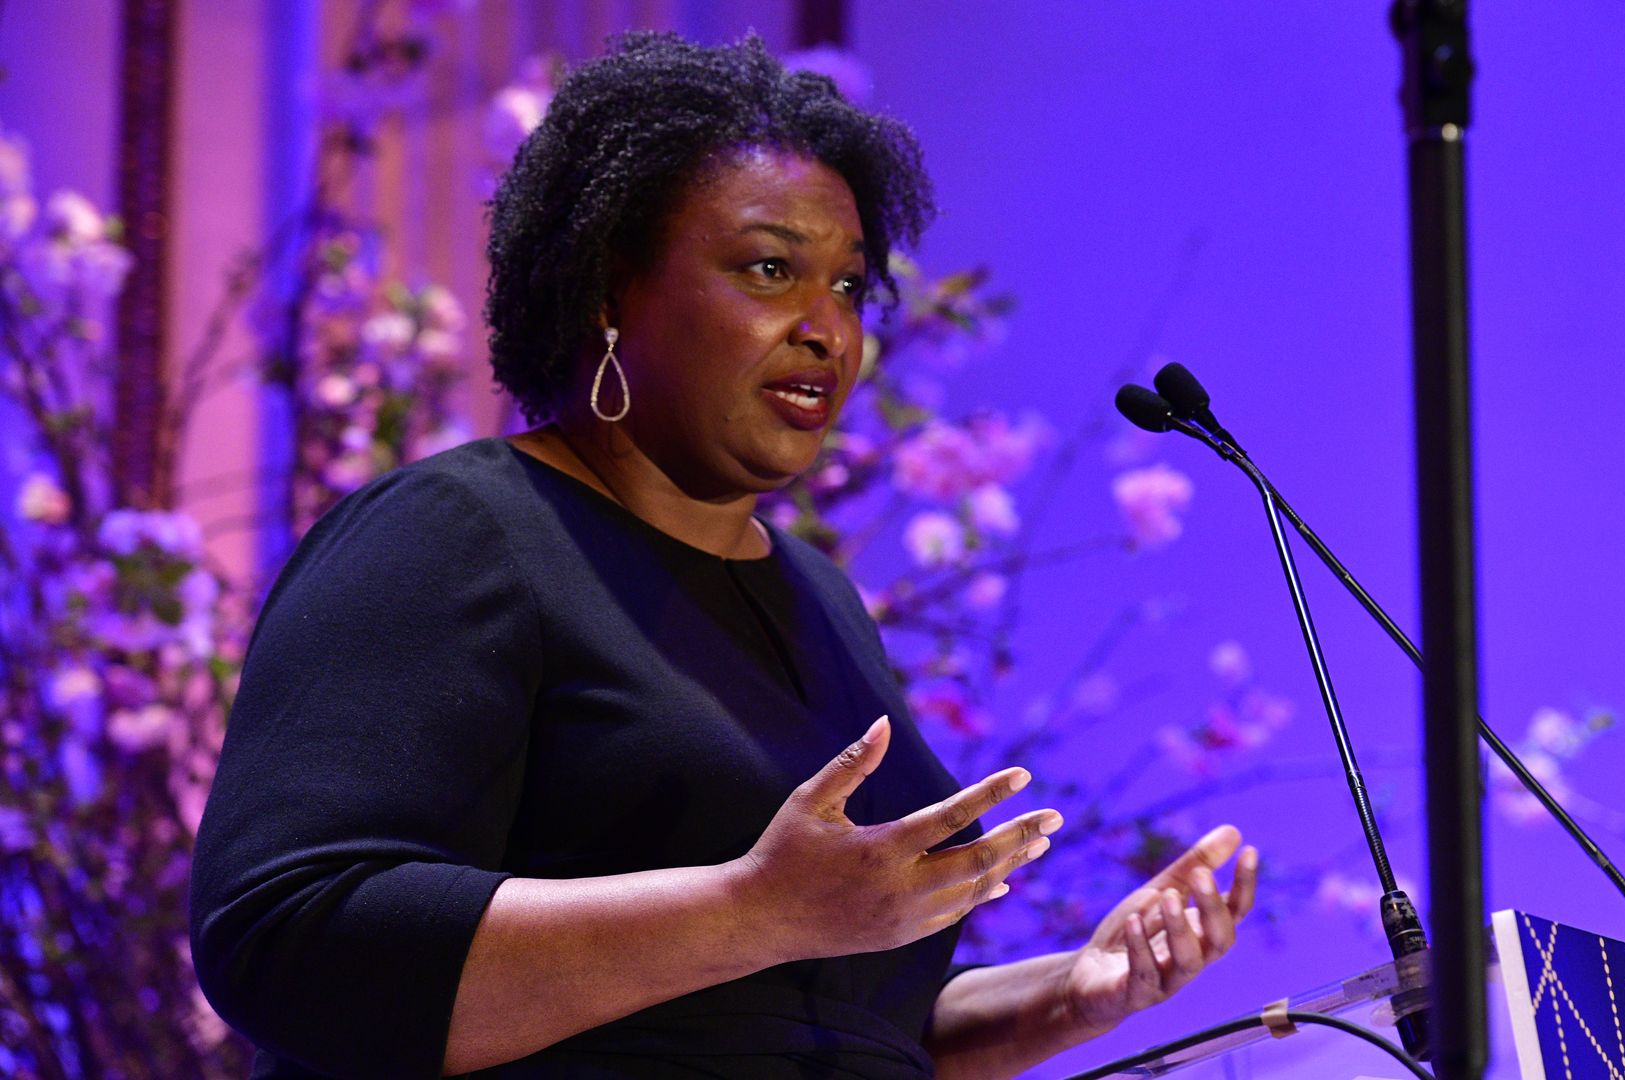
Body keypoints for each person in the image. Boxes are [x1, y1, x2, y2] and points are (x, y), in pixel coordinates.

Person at [189, 32, 1258, 1079]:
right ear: (609, 292)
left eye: (850, 286)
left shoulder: (818, 598)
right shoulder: (458, 531)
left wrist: (1073, 994)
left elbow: (821, 1023)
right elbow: (287, 935)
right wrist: (751, 910)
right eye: (770, 269)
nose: (827, 330)